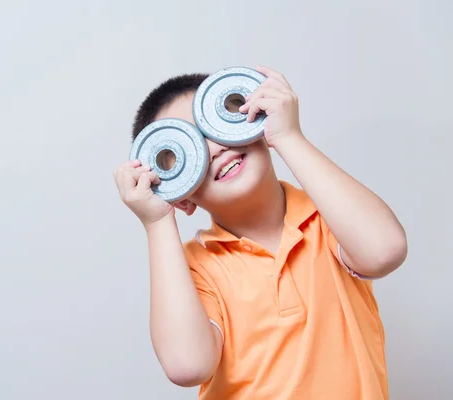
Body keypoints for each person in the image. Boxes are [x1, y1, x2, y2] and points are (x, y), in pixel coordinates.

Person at [113, 66, 407, 400]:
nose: (214, 149)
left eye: (216, 124)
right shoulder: (195, 268)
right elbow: (187, 365)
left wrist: (288, 136)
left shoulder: (329, 218)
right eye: (187, 149)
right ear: (181, 198)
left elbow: (385, 251)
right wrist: (157, 222)